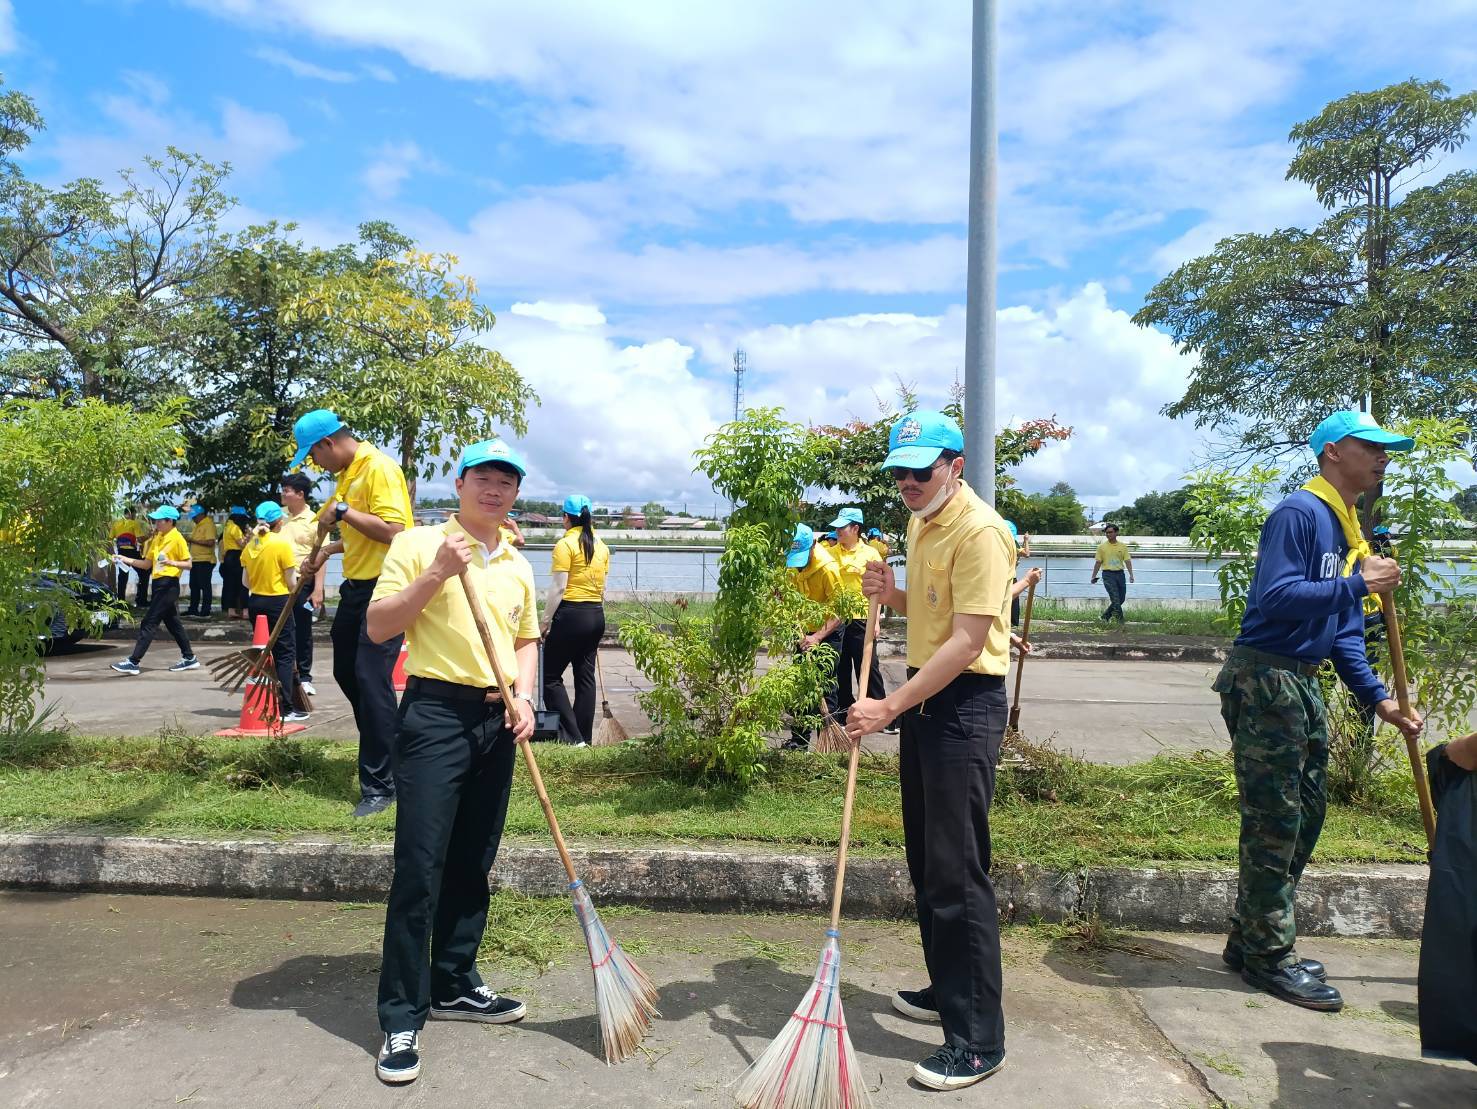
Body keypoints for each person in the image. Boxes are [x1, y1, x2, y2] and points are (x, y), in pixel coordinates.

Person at [1214, 410, 1423, 1012]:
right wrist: (1361, 585)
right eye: (1371, 447)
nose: (1383, 458)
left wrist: (1377, 697)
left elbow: (1344, 632)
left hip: (1301, 681)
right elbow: (1276, 598)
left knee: (1305, 814)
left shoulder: (1349, 522)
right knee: (1275, 818)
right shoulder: (1300, 514)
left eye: (1388, 449)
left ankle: (1252, 937)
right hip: (1266, 678)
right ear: (1333, 452)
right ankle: (1270, 955)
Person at [845, 410, 1013, 1091]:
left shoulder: (981, 531)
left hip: (962, 705)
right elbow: (935, 610)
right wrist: (894, 593)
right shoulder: (921, 522)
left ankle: (976, 1038)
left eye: (923, 469)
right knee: (925, 860)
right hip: (926, 704)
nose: (909, 482)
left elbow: (967, 641)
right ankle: (951, 987)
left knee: (956, 869)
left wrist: (888, 704)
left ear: (955, 465)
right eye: (900, 472)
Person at [365, 438, 539, 1085]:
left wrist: (524, 695)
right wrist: (437, 571)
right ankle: (401, 1013)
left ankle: (454, 981)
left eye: (506, 481)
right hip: (435, 714)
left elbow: (526, 638)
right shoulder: (416, 543)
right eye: (483, 478)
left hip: (497, 719)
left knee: (474, 858)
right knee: (420, 864)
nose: (494, 490)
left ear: (515, 493)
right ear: (459, 482)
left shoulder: (518, 563)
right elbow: (380, 626)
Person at [290, 409, 413, 818]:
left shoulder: (378, 468)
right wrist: (327, 548)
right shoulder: (348, 475)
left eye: (314, 455)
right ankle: (389, 744)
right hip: (357, 587)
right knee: (346, 670)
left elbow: (396, 533)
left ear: (328, 443)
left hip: (385, 586)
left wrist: (342, 513)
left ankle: (380, 786)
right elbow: (362, 534)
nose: (315, 465)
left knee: (370, 676)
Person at [539, 494, 610, 745]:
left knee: (549, 677)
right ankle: (585, 739)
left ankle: (572, 737)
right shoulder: (601, 545)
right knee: (585, 677)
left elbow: (558, 588)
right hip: (595, 616)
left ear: (566, 518)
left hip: (570, 615)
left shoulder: (565, 545)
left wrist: (545, 621)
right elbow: (603, 588)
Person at [240, 501, 309, 724]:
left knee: (264, 653)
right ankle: (286, 707)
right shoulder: (281, 545)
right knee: (285, 654)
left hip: (256, 603)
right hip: (278, 602)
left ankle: (270, 702)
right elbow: (291, 582)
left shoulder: (251, 545)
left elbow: (245, 581)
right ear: (279, 521)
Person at [109, 507, 199, 675]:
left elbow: (188, 564)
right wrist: (124, 559)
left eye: (159, 520)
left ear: (170, 521)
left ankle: (133, 662)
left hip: (169, 584)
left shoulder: (177, 538)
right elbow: (146, 564)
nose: (156, 523)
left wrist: (172, 563)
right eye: (156, 520)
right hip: (158, 584)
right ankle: (189, 658)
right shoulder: (157, 538)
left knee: (149, 622)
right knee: (173, 623)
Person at [828, 506, 893, 732]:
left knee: (868, 667)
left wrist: (876, 621)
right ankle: (846, 714)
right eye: (836, 528)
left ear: (855, 528)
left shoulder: (870, 555)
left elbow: (879, 591)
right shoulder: (831, 553)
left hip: (862, 618)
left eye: (842, 527)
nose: (838, 532)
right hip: (837, 619)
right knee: (840, 668)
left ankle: (882, 717)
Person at [786, 522, 843, 750]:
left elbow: (839, 610)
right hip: (802, 631)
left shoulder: (828, 568)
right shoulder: (792, 564)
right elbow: (788, 594)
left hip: (827, 631)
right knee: (801, 686)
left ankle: (826, 744)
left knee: (825, 686)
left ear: (813, 546)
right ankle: (798, 742)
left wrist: (817, 637)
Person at [280, 473, 325, 696]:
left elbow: (321, 557)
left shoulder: (314, 521)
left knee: (302, 629)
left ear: (300, 494)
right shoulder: (279, 518)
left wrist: (318, 589)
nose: (283, 494)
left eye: (287, 490)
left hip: (302, 582)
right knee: (281, 630)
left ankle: (304, 676)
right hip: (279, 583)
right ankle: (284, 674)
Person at [1090, 523, 1133, 624]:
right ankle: (1120, 622)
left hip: (1120, 574)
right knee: (1115, 598)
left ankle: (1105, 617)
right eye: (1106, 533)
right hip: (1108, 575)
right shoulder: (1102, 547)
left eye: (1110, 532)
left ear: (1116, 532)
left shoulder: (1122, 546)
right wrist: (1093, 576)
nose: (1108, 534)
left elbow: (1127, 561)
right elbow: (1098, 562)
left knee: (1121, 598)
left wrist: (1131, 575)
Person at [109, 506, 148, 606]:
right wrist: (149, 536)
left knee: (122, 577)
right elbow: (139, 540)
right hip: (132, 553)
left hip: (121, 552)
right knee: (144, 573)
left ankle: (121, 602)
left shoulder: (116, 524)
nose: (135, 516)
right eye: (135, 514)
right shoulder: (134, 523)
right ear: (132, 513)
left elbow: (109, 539)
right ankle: (141, 600)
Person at [184, 505, 219, 617]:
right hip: (195, 559)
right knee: (193, 585)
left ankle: (205, 610)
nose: (193, 519)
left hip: (205, 560)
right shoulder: (198, 525)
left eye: (194, 517)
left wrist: (192, 540)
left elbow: (210, 542)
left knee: (205, 586)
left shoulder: (208, 525)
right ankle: (193, 609)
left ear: (201, 515)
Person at [219, 507, 249, 620]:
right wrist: (248, 538)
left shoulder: (227, 526)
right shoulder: (235, 528)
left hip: (228, 556)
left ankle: (231, 610)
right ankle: (245, 611)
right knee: (242, 584)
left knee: (230, 584)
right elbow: (242, 544)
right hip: (236, 556)